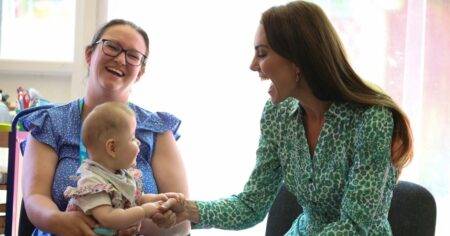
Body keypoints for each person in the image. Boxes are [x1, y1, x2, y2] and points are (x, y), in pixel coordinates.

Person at [160, 1, 413, 235]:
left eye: (262, 53)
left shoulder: (372, 119)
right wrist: (188, 210)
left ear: (298, 60)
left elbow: (356, 226)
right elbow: (251, 205)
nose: (253, 65)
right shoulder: (277, 114)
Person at [21, 19, 190, 235]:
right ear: (89, 55)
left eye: (133, 56)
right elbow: (35, 198)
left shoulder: (156, 129)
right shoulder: (50, 123)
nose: (120, 59)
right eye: (111, 47)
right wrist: (58, 220)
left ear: (140, 72)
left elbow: (181, 218)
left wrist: (136, 222)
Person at [63, 102, 177, 235]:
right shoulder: (92, 181)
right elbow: (109, 218)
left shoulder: (122, 174)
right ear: (112, 148)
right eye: (133, 138)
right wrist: (144, 211)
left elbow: (136, 198)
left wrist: (159, 199)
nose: (139, 142)